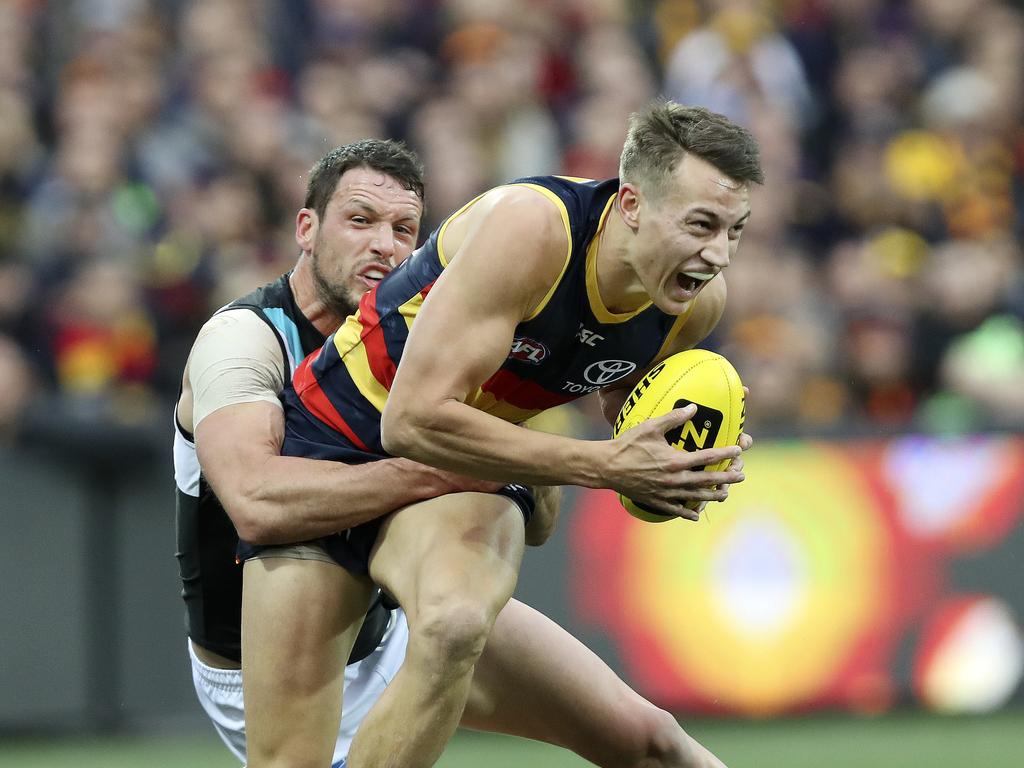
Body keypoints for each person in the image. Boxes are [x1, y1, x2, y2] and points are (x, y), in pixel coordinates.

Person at [176, 136, 746, 768]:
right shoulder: (245, 339)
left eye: (404, 229)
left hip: (394, 626)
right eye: (360, 220)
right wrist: (533, 464)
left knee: (652, 742)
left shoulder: (457, 318)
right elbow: (258, 505)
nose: (384, 246)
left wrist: (670, 460)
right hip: (267, 656)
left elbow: (604, 419)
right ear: (305, 227)